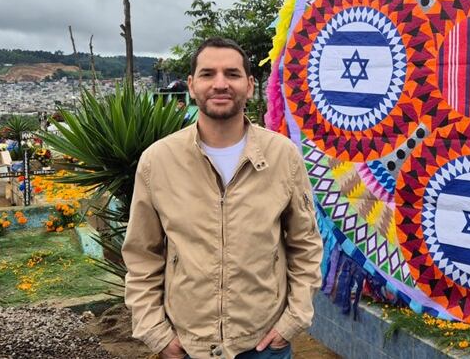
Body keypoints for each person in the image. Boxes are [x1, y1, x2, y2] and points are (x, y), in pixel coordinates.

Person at [123, 37, 322, 359]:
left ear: (249, 84)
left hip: (263, 344)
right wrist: (156, 333)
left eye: (231, 74)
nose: (220, 84)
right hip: (187, 345)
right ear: (191, 85)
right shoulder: (158, 161)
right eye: (207, 74)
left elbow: (305, 243)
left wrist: (293, 320)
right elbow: (141, 254)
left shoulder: (282, 156)